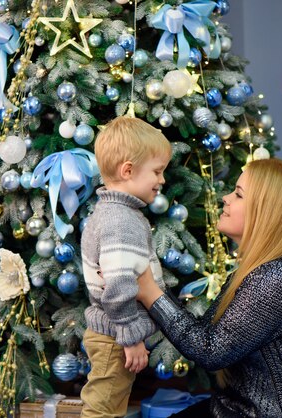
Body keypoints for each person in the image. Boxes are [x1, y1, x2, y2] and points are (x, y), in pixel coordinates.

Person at [136, 158, 282, 417]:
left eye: (238, 194)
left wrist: (151, 293)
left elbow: (209, 350)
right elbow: (205, 331)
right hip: (239, 406)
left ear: (267, 212)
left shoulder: (280, 275)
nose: (225, 198)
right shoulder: (266, 269)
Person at [79, 116, 172, 418]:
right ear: (128, 170)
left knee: (111, 407)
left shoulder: (113, 213)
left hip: (113, 332)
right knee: (102, 410)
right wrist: (130, 336)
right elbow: (118, 286)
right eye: (157, 171)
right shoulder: (121, 221)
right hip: (114, 336)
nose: (162, 180)